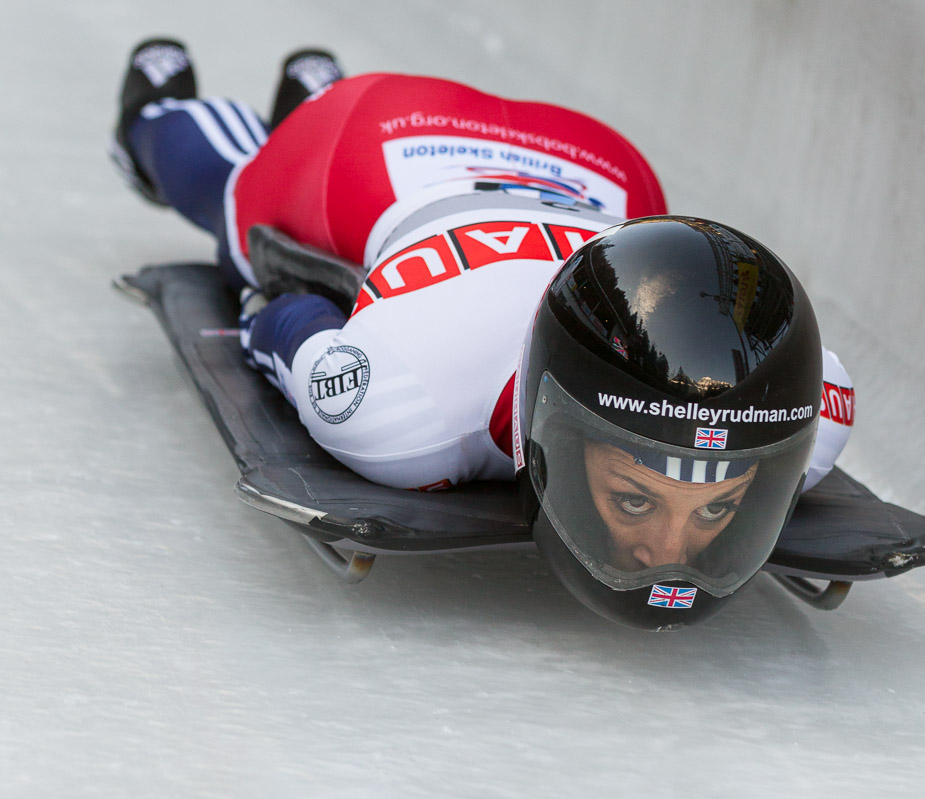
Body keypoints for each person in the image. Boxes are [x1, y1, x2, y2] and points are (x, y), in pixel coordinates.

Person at [111, 39, 856, 628]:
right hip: (373, 151)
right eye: (634, 499)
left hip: (605, 170)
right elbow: (281, 318)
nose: (665, 555)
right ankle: (158, 118)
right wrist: (273, 296)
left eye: (719, 507)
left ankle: (315, 88)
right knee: (235, 207)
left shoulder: (804, 416)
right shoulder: (401, 414)